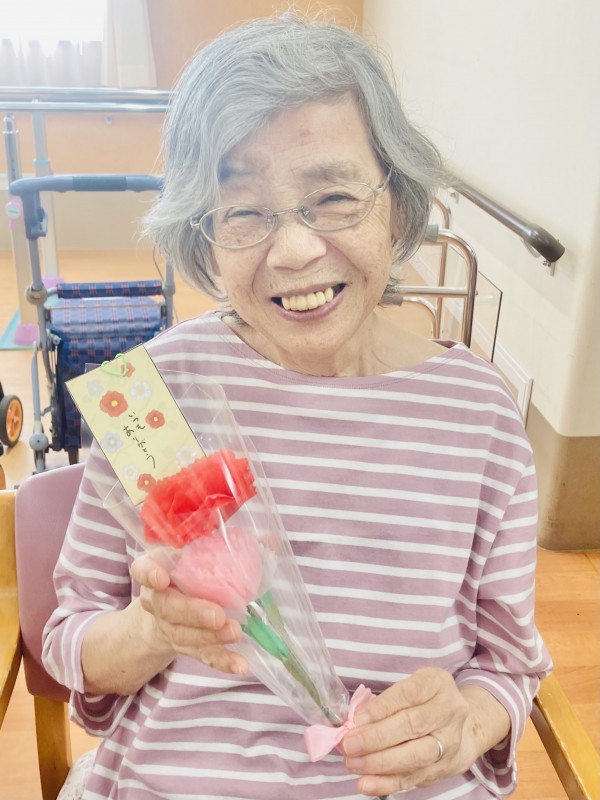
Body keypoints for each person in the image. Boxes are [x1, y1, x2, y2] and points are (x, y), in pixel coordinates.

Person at [43, 11, 552, 800]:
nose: (295, 250)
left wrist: (465, 724)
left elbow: (510, 668)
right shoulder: (153, 398)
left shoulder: (478, 416)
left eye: (334, 197)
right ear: (203, 235)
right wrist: (152, 630)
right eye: (245, 212)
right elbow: (70, 641)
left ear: (397, 202)